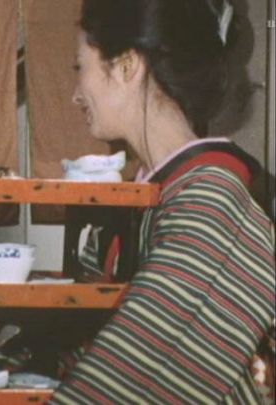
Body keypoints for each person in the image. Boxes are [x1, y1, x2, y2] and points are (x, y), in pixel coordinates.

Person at [50, 0, 275, 403]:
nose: (75, 95)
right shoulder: (147, 196)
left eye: (80, 67)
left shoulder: (212, 199)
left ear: (126, 66)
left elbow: (143, 375)